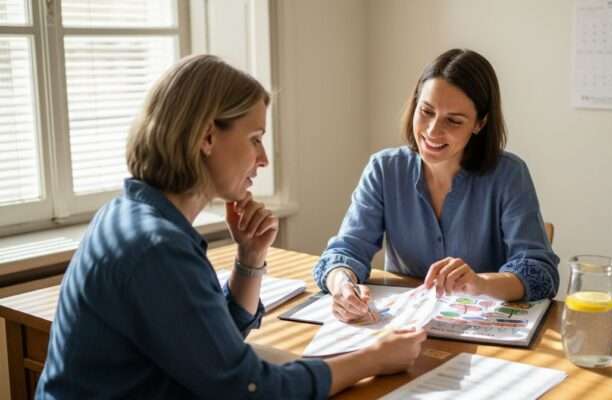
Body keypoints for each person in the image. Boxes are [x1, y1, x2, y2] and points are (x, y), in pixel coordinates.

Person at [36, 54, 426, 400]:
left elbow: (212, 344)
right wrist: (371, 359)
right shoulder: (157, 247)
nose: (263, 159)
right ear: (207, 136)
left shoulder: (130, 215)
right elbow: (248, 388)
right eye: (255, 139)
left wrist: (251, 258)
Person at [313, 48, 559, 323]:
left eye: (453, 121)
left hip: (482, 331)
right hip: (401, 329)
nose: (431, 131)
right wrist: (342, 285)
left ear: (480, 123)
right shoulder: (384, 169)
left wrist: (480, 283)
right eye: (426, 111)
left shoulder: (509, 175)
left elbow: (541, 273)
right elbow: (344, 252)